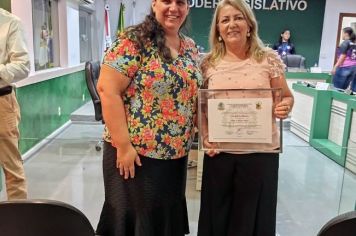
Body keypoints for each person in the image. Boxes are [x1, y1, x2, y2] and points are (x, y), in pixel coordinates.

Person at [95, 0, 202, 235]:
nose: (174, 8)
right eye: (167, 1)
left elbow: (193, 96)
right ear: (154, 4)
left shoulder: (191, 47)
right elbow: (107, 90)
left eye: (181, 2)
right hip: (136, 156)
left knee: (163, 220)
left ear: (188, 8)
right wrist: (123, 146)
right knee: (135, 221)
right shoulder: (133, 41)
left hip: (176, 156)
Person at [197, 1, 294, 236]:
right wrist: (205, 136)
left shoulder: (269, 59)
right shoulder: (207, 63)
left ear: (249, 25)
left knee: (253, 220)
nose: (232, 24)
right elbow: (200, 108)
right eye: (225, 20)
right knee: (218, 218)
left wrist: (284, 107)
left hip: (260, 155)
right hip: (220, 154)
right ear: (218, 29)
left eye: (238, 18)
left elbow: (287, 98)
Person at [0, 8, 29, 200]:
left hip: (2, 102)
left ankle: (19, 224)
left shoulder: (10, 22)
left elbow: (22, 66)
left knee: (12, 169)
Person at [331, 27, 356, 92]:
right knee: (343, 90)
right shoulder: (354, 44)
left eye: (342, 33)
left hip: (344, 67)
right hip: (353, 68)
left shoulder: (345, 42)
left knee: (336, 89)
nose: (342, 35)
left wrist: (335, 67)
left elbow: (343, 56)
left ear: (346, 34)